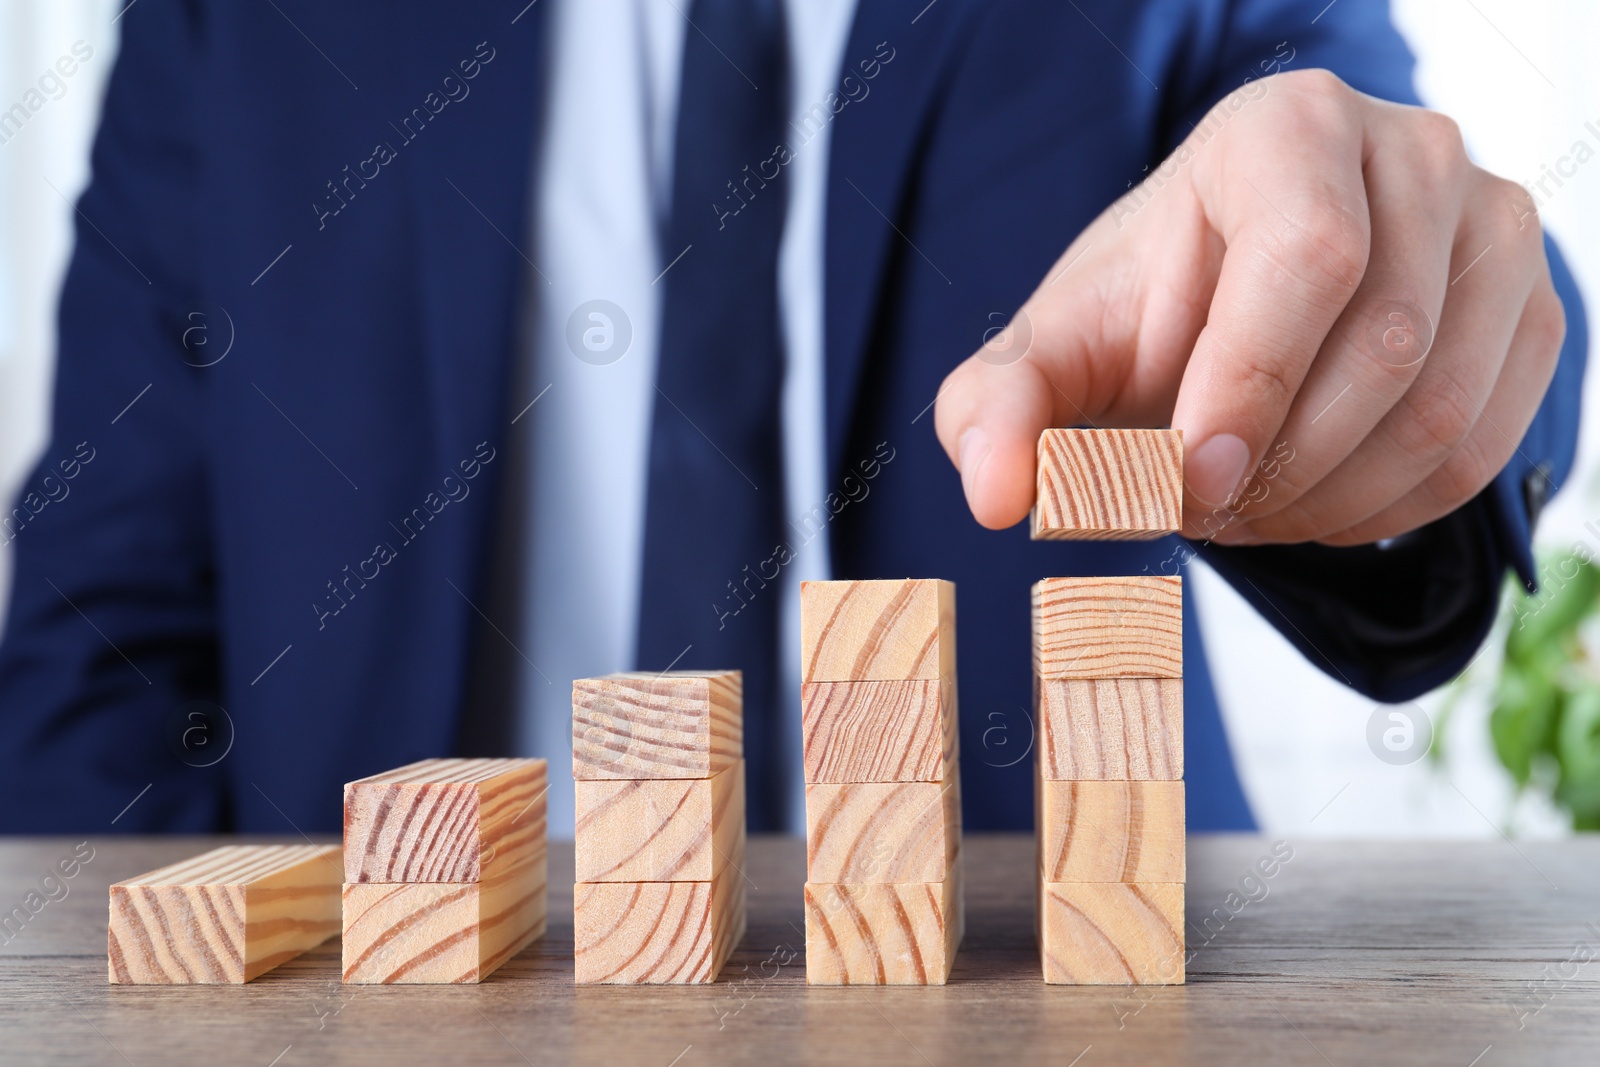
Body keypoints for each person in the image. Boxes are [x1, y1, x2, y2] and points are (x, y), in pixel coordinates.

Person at [0, 0, 1585, 837]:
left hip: (1054, 986)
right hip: (406, 984)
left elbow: (1396, 215)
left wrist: (1405, 306)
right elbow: (103, 633)